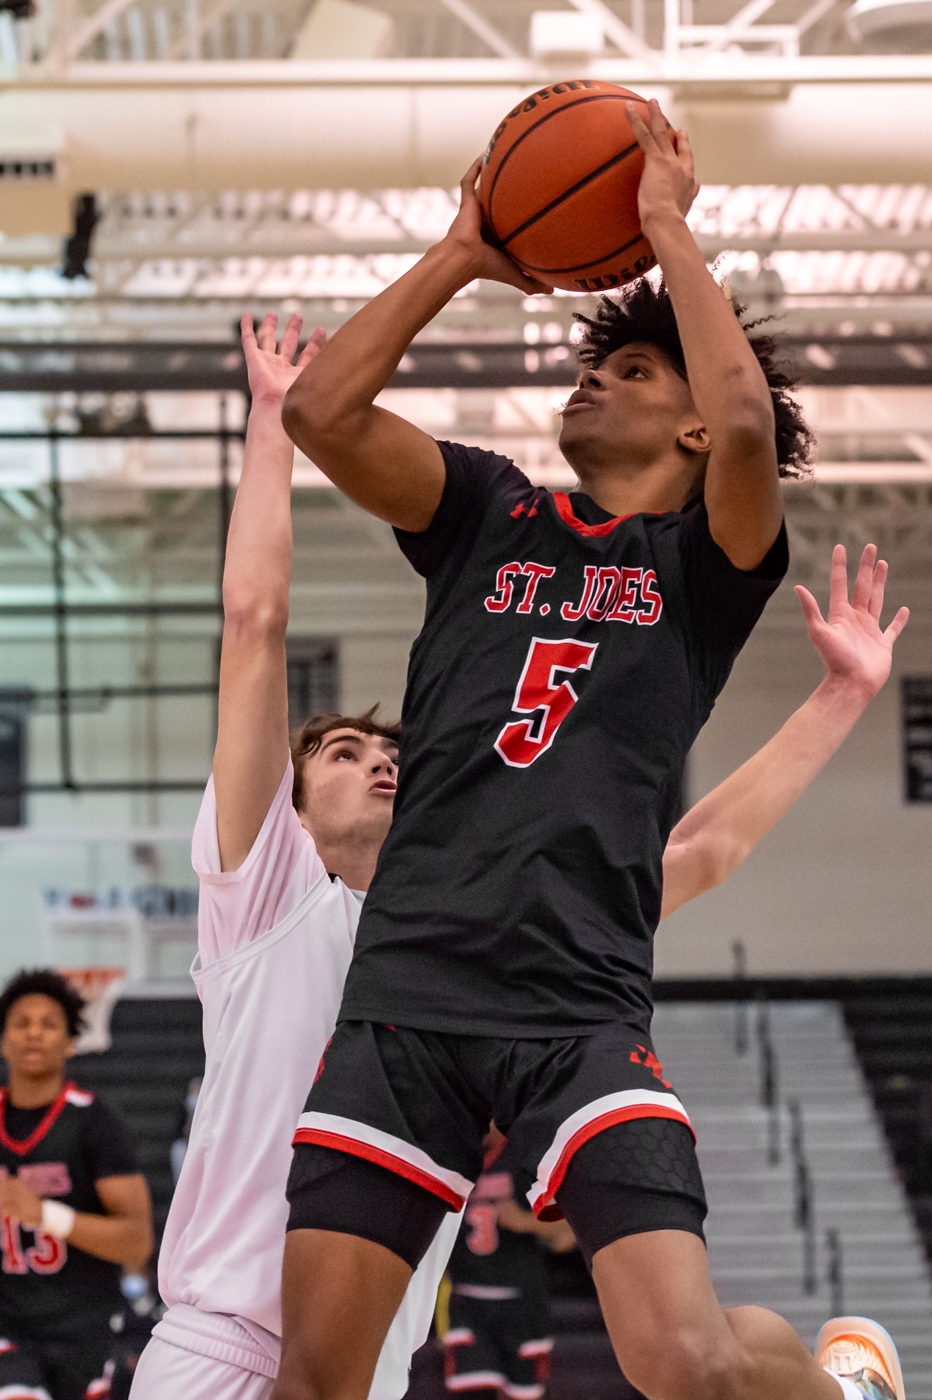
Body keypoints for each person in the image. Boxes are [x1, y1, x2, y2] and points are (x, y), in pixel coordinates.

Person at [274, 97, 910, 1400]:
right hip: (407, 999)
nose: (592, 379)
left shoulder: (700, 573)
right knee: (312, 1386)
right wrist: (461, 252)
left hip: (577, 1011)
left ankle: (842, 1388)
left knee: (690, 1371)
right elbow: (323, 415)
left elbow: (744, 429)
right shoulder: (484, 513)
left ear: (684, 432)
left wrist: (667, 226)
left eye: (632, 372)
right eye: (591, 366)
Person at [0, 968, 153, 1400]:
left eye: (48, 1024)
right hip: (8, 1328)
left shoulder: (95, 1123)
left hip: (86, 1330)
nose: (33, 1034)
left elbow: (137, 1243)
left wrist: (44, 1214)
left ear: (70, 1041)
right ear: (3, 1038)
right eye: (21, 1023)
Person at [441, 1125, 576, 1400]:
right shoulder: (450, 1155)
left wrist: (524, 1222)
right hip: (467, 1300)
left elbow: (569, 1236)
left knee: (525, 1393)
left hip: (523, 1302)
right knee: (469, 1392)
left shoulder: (528, 1158)